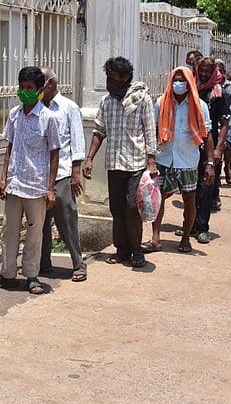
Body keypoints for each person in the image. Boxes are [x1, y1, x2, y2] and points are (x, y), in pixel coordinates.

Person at [0, 66, 60, 295]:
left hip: (36, 186)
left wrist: (50, 188)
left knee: (34, 233)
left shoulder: (48, 119)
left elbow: (54, 153)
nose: (24, 91)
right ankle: (7, 273)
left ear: (38, 90)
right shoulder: (14, 114)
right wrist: (2, 178)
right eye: (21, 87)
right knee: (9, 231)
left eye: (29, 88)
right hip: (15, 183)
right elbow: (9, 147)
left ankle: (31, 276)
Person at [83, 56, 157, 268]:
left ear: (125, 79)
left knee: (133, 207)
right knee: (116, 209)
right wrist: (89, 158)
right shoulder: (106, 102)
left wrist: (151, 161)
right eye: (108, 78)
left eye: (114, 79)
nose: (110, 83)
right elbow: (99, 131)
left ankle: (137, 250)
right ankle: (121, 250)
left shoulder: (142, 99)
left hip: (136, 164)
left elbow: (150, 131)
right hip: (114, 164)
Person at [145, 67, 214, 254]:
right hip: (164, 158)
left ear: (190, 81)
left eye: (182, 80)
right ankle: (155, 238)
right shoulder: (161, 103)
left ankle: (185, 238)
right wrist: (150, 159)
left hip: (188, 160)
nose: (179, 83)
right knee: (158, 199)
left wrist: (210, 163)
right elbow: (152, 130)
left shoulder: (200, 106)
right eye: (175, 79)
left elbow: (207, 135)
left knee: (189, 201)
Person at [39, 67, 87, 281]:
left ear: (50, 83)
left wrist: (76, 173)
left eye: (40, 82)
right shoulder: (38, 108)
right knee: (40, 222)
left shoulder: (69, 108)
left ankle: (78, 263)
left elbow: (77, 141)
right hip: (40, 175)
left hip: (63, 172)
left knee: (66, 220)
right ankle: (43, 263)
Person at [187, 57, 229, 243]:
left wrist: (219, 149)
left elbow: (225, 123)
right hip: (190, 146)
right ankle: (191, 225)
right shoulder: (191, 88)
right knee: (191, 188)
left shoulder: (218, 93)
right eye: (201, 70)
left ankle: (203, 227)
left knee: (206, 187)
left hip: (209, 147)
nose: (203, 74)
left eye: (207, 71)